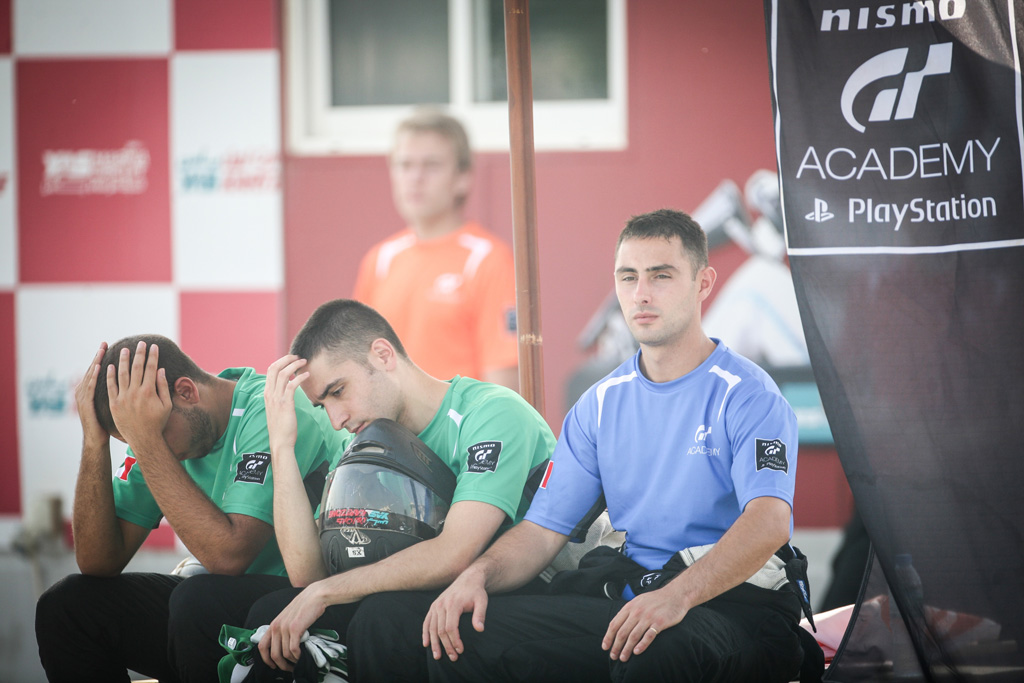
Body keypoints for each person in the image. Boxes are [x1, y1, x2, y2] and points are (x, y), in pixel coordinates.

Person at [346, 209, 810, 683]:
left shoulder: (747, 394)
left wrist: (678, 597)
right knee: (442, 626)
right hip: (633, 603)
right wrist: (477, 575)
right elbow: (541, 533)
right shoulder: (599, 403)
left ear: (703, 283)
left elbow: (769, 522)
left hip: (734, 609)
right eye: (627, 277)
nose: (641, 293)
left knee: (653, 649)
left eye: (661, 275)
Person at [167, 299, 555, 682]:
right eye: (322, 406)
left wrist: (325, 593)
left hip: (518, 596)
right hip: (418, 598)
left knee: (378, 618)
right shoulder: (363, 443)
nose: (336, 420)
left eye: (338, 391)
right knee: (252, 610)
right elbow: (309, 574)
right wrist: (281, 446)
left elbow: (454, 553)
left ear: (383, 355)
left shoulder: (489, 412)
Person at [34, 335, 344, 683]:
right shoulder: (153, 430)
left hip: (301, 607)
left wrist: (148, 440)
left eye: (149, 433)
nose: (142, 446)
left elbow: (229, 557)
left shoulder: (268, 407)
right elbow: (97, 561)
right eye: (133, 438)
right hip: (212, 613)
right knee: (66, 606)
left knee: (197, 599)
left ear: (186, 392)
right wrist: (95, 440)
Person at [353, 109, 519, 389]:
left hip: (460, 418)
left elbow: (504, 387)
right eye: (405, 165)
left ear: (463, 177)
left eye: (431, 165)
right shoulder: (380, 260)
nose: (415, 177)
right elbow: (359, 368)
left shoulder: (487, 260)